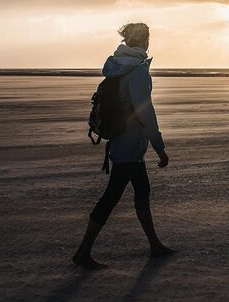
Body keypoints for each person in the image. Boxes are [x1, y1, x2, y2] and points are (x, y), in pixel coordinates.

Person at [73, 22, 174, 269]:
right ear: (145, 41)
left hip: (123, 141)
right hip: (129, 144)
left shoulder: (117, 67)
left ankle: (154, 245)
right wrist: (159, 146)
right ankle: (83, 252)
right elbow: (145, 112)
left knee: (142, 191)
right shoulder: (138, 71)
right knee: (112, 196)